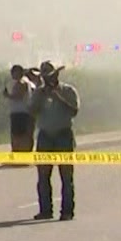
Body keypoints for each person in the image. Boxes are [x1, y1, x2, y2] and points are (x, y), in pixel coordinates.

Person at [29, 61, 80, 220]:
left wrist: (58, 97)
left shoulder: (68, 90)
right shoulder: (39, 93)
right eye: (44, 77)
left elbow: (74, 110)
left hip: (63, 135)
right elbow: (32, 111)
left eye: (49, 75)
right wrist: (41, 96)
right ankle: (45, 210)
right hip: (45, 135)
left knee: (66, 175)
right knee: (43, 176)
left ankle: (67, 211)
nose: (47, 80)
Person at [3, 65, 36, 155]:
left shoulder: (22, 82)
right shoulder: (20, 82)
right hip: (17, 112)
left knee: (20, 134)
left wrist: (7, 95)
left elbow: (18, 96)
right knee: (17, 134)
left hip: (21, 112)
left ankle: (21, 153)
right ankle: (18, 152)